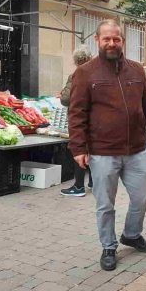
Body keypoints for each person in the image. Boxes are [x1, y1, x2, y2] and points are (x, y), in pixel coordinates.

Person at [68, 20, 146, 271]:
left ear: (123, 41)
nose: (112, 43)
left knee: (141, 197)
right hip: (102, 152)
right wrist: (78, 148)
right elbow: (76, 113)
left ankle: (131, 234)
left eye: (116, 39)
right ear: (97, 40)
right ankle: (108, 246)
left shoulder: (136, 70)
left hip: (136, 150)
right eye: (107, 39)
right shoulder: (85, 73)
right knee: (105, 205)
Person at [59, 46, 93, 197]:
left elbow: (66, 99)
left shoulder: (76, 75)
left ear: (76, 60)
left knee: (79, 148)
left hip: (80, 118)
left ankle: (78, 186)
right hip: (95, 119)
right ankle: (94, 182)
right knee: (92, 148)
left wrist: (62, 95)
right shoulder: (97, 73)